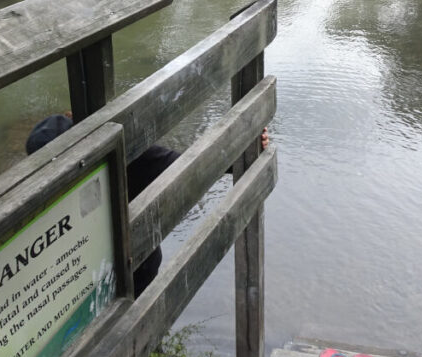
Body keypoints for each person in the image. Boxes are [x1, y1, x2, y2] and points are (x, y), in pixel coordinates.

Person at [25, 115, 269, 296]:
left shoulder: (124, 157)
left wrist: (244, 151)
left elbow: (184, 167)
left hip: (136, 283)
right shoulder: (39, 205)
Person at [25, 113, 178, 295]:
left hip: (136, 268)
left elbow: (177, 163)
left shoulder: (123, 154)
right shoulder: (40, 191)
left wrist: (219, 157)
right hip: (86, 278)